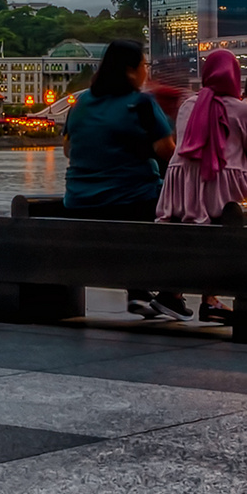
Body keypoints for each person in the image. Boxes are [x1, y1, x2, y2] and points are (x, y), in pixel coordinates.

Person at [61, 39, 179, 320]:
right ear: (131, 70)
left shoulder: (81, 103)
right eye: (144, 65)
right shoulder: (141, 103)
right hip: (131, 201)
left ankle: (139, 291)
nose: (146, 72)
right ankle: (170, 294)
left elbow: (68, 149)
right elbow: (168, 152)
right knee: (181, 212)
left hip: (78, 203)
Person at [157, 49, 247, 325]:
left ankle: (173, 292)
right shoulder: (246, 110)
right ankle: (210, 300)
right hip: (222, 188)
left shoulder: (188, 105)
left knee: (196, 229)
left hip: (182, 191)